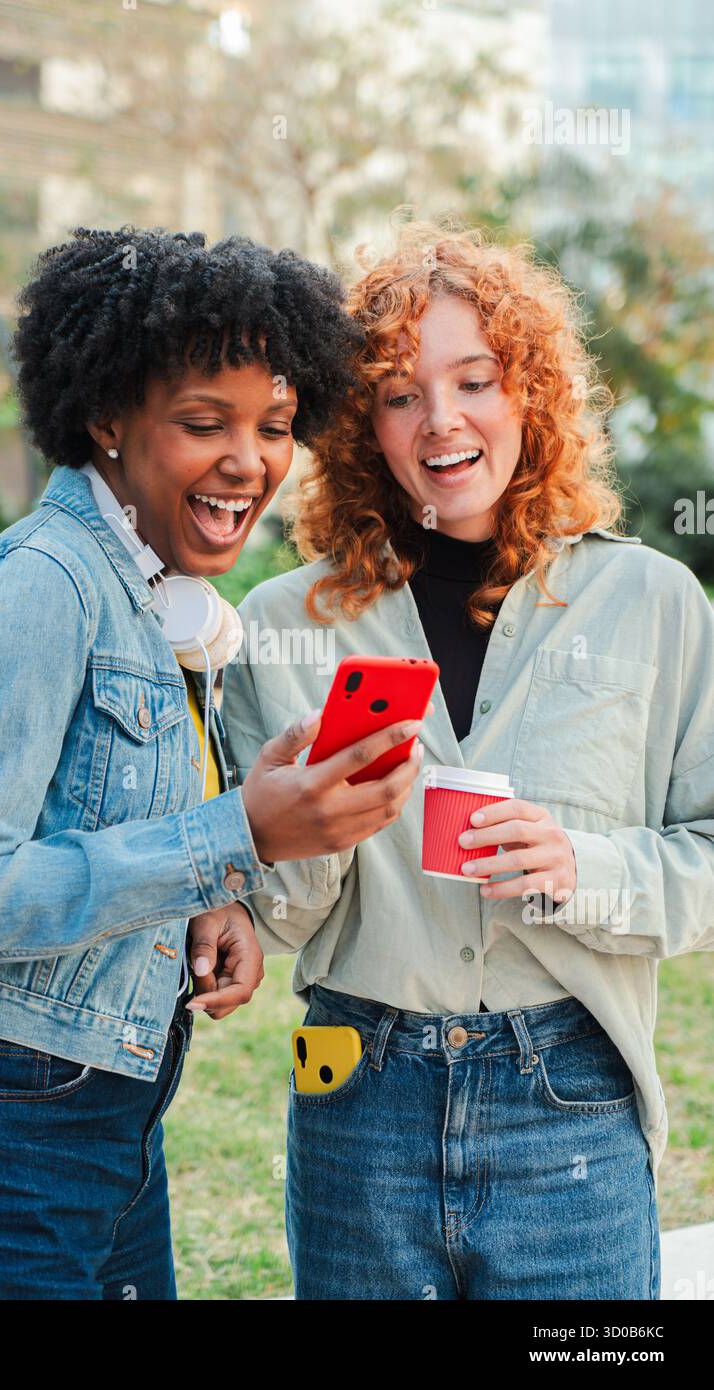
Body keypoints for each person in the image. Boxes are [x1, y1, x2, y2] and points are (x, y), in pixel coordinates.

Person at [0, 226, 428, 1299]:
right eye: (203, 422)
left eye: (275, 427)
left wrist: (210, 908)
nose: (248, 461)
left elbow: (87, 837)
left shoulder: (155, 604)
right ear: (107, 418)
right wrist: (237, 832)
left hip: (98, 1122)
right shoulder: (40, 591)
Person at [220, 218, 714, 1300]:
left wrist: (583, 866)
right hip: (354, 1083)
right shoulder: (281, 623)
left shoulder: (655, 605)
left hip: (569, 1095)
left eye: (475, 380)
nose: (440, 421)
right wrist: (310, 830)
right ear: (362, 425)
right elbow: (270, 914)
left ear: (528, 395)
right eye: (398, 394)